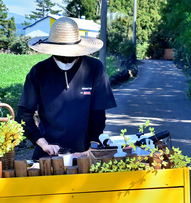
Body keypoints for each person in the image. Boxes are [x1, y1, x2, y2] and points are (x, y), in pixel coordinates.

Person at [18, 17, 117, 160]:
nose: (66, 58)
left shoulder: (94, 68)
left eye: (71, 54)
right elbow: (23, 114)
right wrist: (42, 143)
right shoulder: (38, 72)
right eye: (61, 53)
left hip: (85, 152)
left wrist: (92, 146)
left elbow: (98, 113)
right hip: (47, 153)